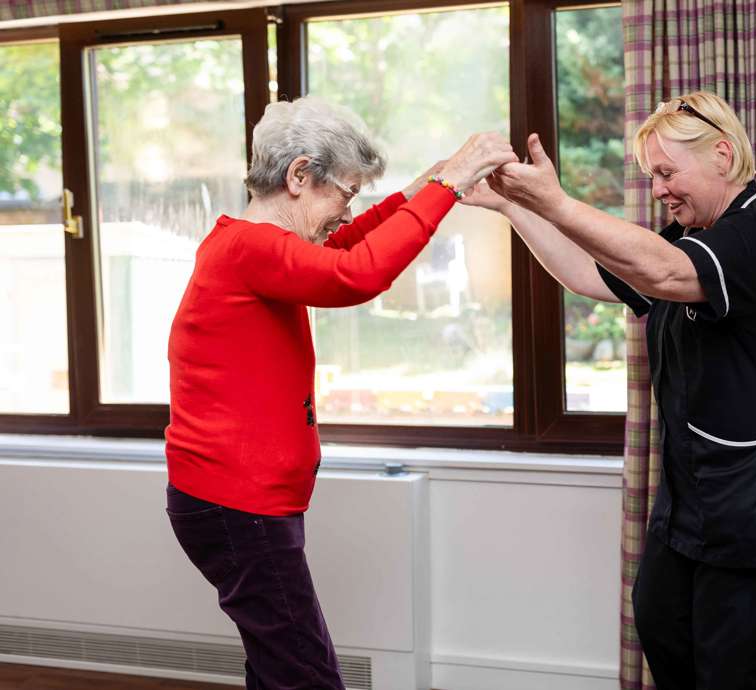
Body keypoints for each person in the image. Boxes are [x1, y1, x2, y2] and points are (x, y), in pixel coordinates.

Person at [462, 91, 756, 690]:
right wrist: (517, 210)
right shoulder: (692, 238)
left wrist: (557, 201)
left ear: (722, 154)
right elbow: (594, 274)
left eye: (667, 172)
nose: (660, 188)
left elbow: (663, 271)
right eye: (652, 176)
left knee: (733, 672)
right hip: (693, 500)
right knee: (663, 625)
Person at [164, 95, 516, 690]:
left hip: (244, 503)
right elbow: (356, 274)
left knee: (279, 667)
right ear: (299, 175)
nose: (343, 211)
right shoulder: (247, 247)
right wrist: (447, 185)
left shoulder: (257, 248)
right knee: (305, 675)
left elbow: (350, 244)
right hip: (235, 506)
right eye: (343, 193)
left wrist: (437, 178)